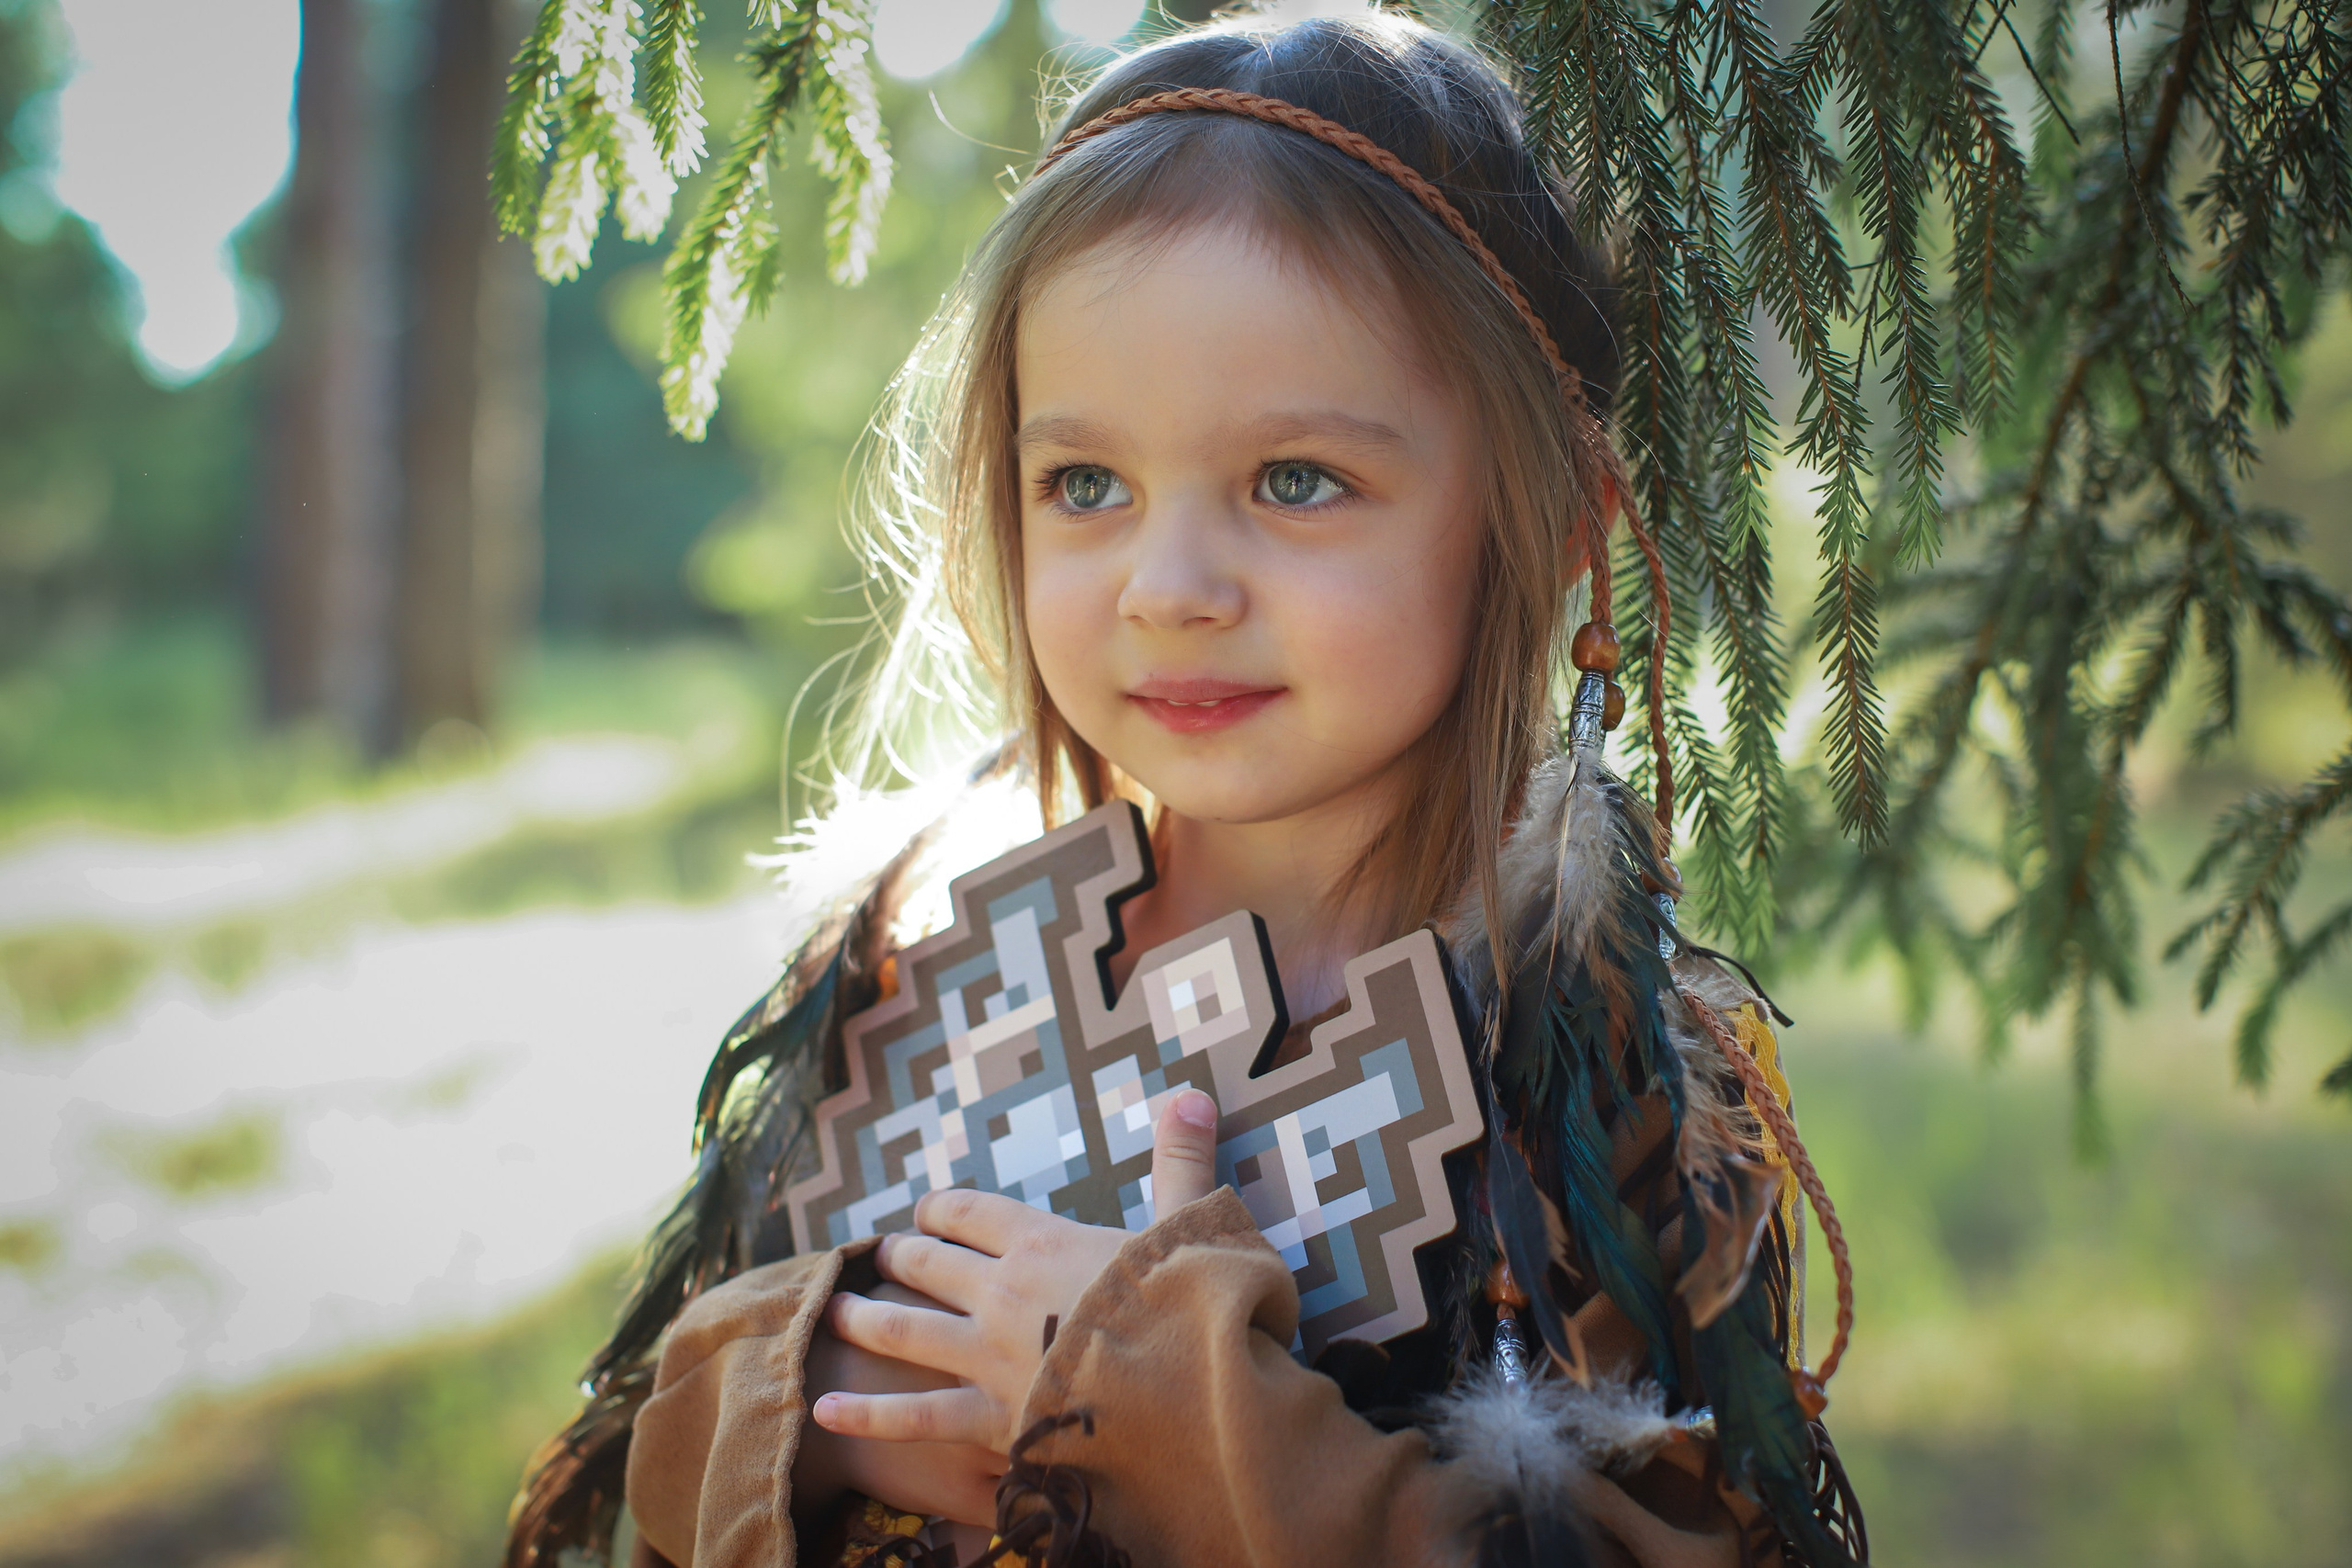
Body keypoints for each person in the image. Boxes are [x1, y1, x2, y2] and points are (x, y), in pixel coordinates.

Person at [507, 11, 1869, 1567]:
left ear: (1555, 518)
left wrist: (1153, 1414)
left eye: (1297, 481)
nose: (1168, 585)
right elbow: (666, 1457)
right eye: (1084, 484)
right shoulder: (939, 967)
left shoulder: (1593, 1069)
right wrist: (818, 1378)